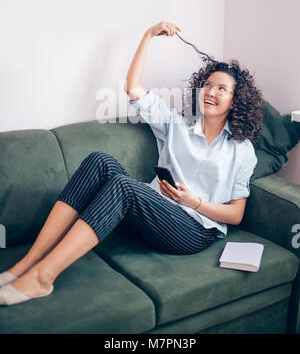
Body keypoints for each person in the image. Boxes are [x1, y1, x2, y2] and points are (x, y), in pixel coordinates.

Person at [0, 21, 263, 306]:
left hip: (194, 230)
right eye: (208, 85)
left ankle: (42, 278)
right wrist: (148, 36)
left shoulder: (242, 150)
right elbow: (134, 89)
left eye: (221, 89)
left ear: (237, 101)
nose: (210, 92)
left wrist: (193, 202)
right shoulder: (177, 125)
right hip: (149, 217)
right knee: (99, 161)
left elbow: (236, 215)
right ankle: (27, 263)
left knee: (124, 187)